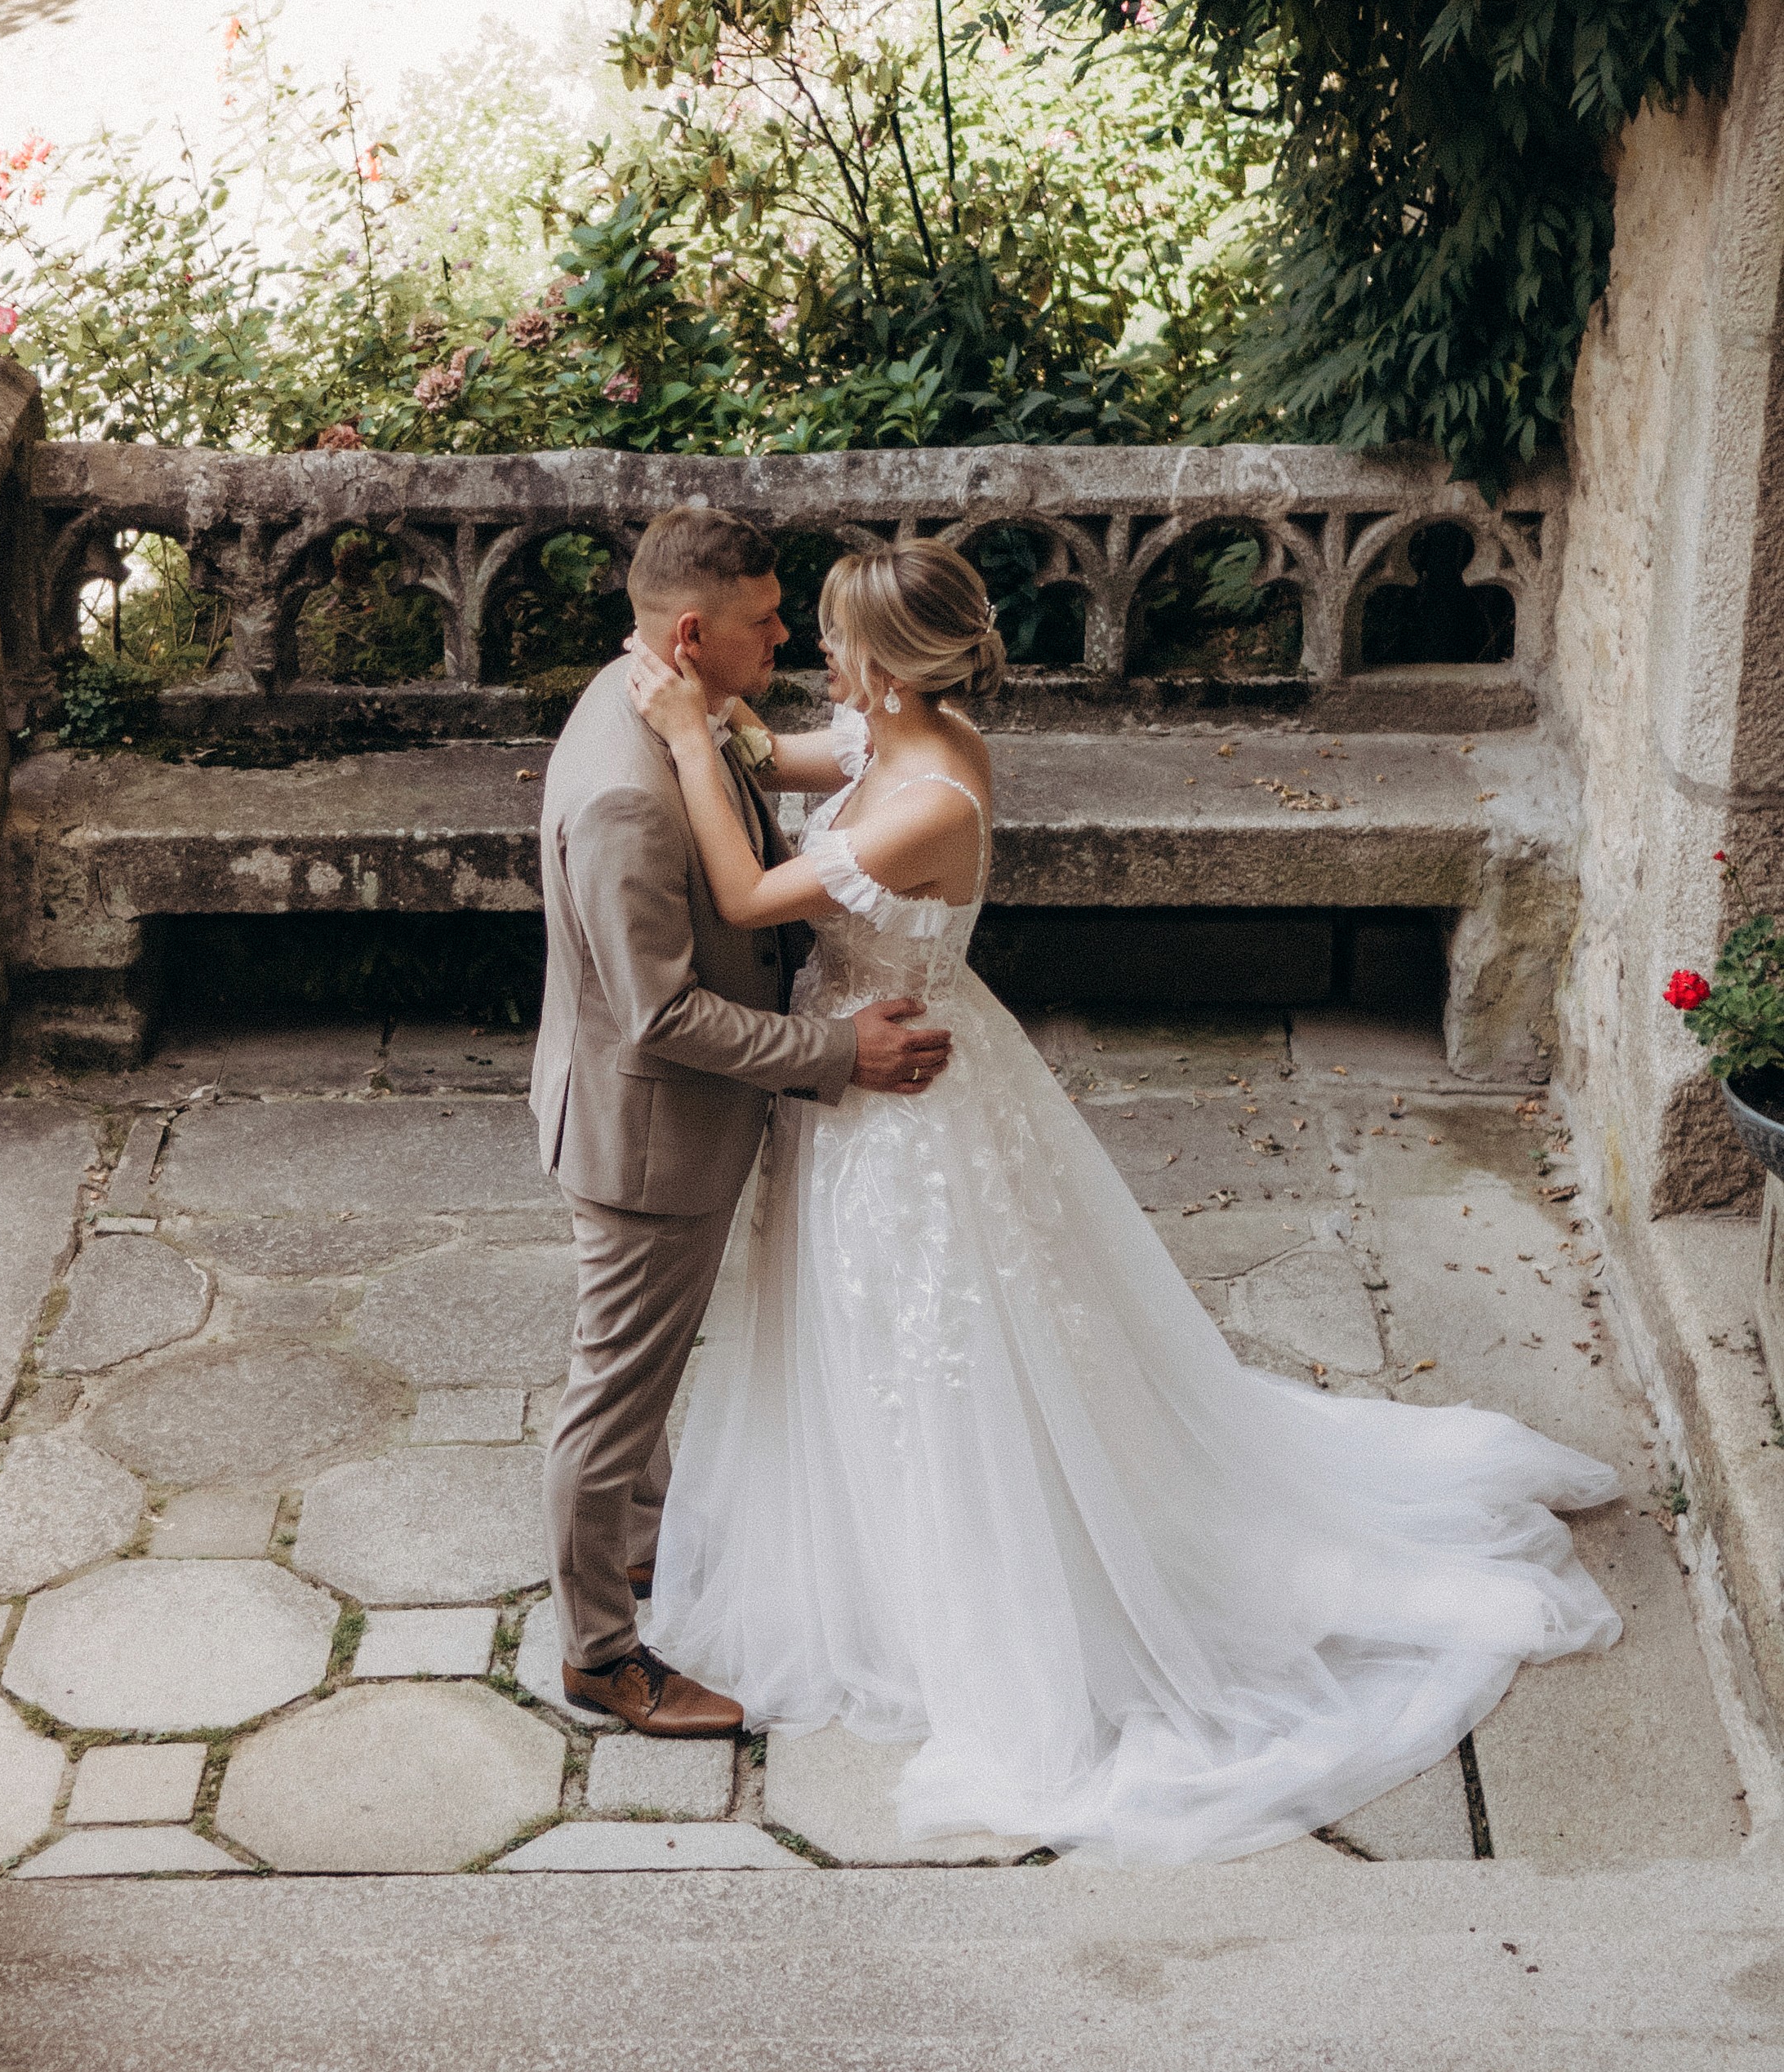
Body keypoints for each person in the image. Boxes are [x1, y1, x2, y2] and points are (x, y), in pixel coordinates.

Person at [625, 534, 1623, 1861]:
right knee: (869, 1342)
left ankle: (1004, 1591)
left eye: (833, 637)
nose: (817, 652)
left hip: (903, 1101)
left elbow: (752, 892)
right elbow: (787, 759)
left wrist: (685, 738)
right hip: (866, 1070)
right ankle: (880, 1552)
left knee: (940, 1343)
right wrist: (717, 717)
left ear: (887, 665)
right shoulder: (894, 734)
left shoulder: (935, 793)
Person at [532, 504, 953, 1733]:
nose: (783, 640)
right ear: (691, 632)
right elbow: (659, 1016)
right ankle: (601, 1657)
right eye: (765, 623)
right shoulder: (625, 792)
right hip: (649, 1137)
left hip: (659, 1117)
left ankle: (641, 1546)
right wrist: (838, 1053)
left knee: (639, 1380)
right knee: (611, 1402)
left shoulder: (675, 699)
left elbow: (766, 775)